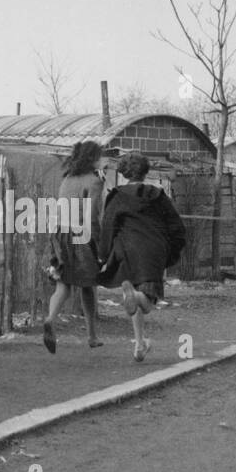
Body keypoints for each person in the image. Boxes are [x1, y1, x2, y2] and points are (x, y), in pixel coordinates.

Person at [96, 152, 187, 361]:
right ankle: (135, 299)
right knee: (147, 302)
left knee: (137, 294)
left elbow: (108, 227)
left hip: (126, 251)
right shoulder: (159, 196)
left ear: (124, 173)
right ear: (146, 172)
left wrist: (102, 256)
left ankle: (139, 345)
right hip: (153, 250)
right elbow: (177, 228)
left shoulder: (117, 196)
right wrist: (170, 253)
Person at [42, 141, 105, 353]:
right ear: (92, 158)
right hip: (81, 234)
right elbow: (93, 217)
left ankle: (50, 319)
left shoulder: (68, 178)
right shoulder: (94, 181)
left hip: (60, 233)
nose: (102, 159)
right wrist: (100, 246)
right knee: (89, 285)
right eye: (100, 156)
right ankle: (92, 336)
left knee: (63, 284)